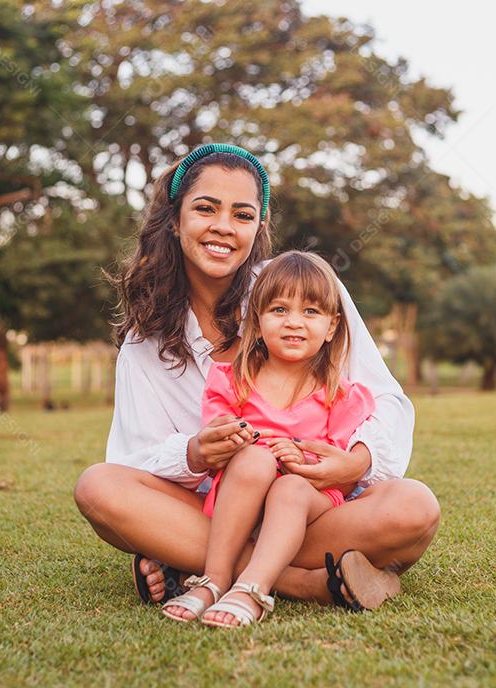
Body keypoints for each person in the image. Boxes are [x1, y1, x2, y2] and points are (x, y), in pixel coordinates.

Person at [72, 143, 440, 611]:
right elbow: (133, 460)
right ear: (175, 218)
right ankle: (301, 583)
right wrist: (195, 453)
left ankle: (190, 561)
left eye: (242, 215)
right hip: (214, 510)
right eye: (206, 208)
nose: (223, 227)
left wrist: (355, 463)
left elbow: (386, 399)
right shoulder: (145, 345)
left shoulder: (303, 291)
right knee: (99, 488)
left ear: (259, 226)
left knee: (414, 507)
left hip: (309, 508)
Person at [162, 251, 399, 626]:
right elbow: (217, 440)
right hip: (241, 501)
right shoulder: (230, 381)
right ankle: (214, 579)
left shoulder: (342, 396)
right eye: (279, 310)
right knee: (255, 459)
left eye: (310, 311)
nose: (294, 322)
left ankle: (252, 588)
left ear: (332, 326)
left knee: (290, 488)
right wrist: (234, 440)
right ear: (257, 322)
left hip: (307, 503)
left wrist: (302, 460)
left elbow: (342, 474)